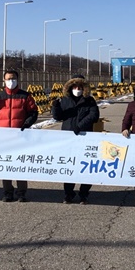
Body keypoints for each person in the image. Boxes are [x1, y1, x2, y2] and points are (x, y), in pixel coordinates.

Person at [0, 70, 38, 202]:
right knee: (6, 164)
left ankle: (21, 193)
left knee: (20, 164)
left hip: (20, 135)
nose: (11, 81)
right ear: (4, 80)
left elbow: (33, 112)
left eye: (13, 78)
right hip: (3, 136)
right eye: (8, 79)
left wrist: (26, 124)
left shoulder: (25, 96)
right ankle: (8, 192)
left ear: (18, 79)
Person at [52, 74, 100, 204]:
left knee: (86, 166)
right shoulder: (65, 100)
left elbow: (94, 115)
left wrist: (80, 126)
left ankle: (84, 193)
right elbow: (58, 117)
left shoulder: (89, 100)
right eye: (75, 86)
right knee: (69, 165)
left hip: (86, 137)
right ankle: (68, 193)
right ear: (71, 87)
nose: (77, 89)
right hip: (68, 138)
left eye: (80, 87)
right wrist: (55, 106)